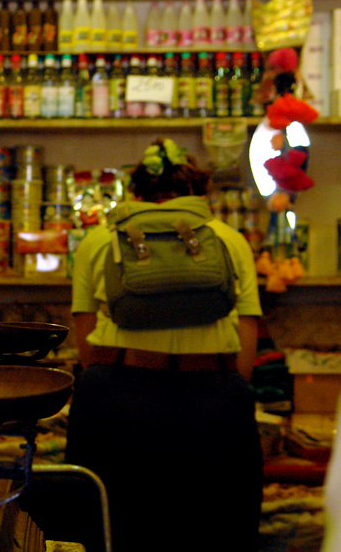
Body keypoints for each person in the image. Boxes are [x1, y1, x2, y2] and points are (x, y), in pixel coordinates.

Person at [65, 139, 263, 552]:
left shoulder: (99, 241)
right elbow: (248, 327)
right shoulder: (229, 240)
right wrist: (228, 386)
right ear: (197, 193)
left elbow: (83, 329)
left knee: (114, 525)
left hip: (118, 395)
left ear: (135, 192)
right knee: (217, 525)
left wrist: (106, 378)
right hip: (211, 396)